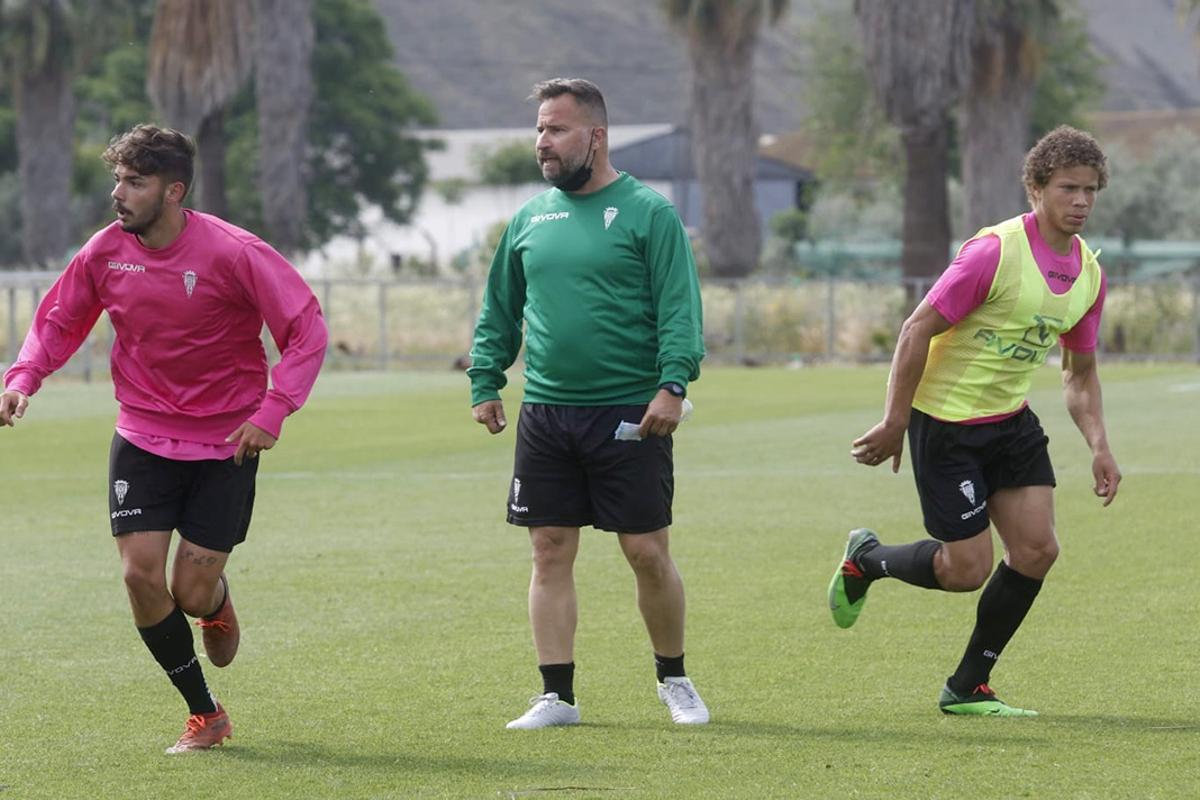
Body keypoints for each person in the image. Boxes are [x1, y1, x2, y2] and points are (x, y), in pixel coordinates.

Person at [0, 125, 328, 752]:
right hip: (143, 434)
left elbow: (306, 329)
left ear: (173, 190)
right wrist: (24, 378)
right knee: (138, 576)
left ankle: (216, 601)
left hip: (228, 442)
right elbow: (59, 319)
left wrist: (274, 409)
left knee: (189, 590)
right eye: (117, 179)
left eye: (135, 182)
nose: (119, 194)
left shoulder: (235, 253)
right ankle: (206, 712)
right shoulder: (105, 252)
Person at [827, 125, 1121, 716]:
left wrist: (1099, 445)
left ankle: (966, 687)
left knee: (1037, 550)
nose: (1082, 201)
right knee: (966, 570)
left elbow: (1079, 373)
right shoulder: (994, 252)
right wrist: (894, 421)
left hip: (1010, 423)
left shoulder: (1088, 273)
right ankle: (868, 559)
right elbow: (916, 330)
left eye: (1091, 190)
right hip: (946, 426)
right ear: (1036, 187)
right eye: (1068, 188)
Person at [468, 78, 708, 729]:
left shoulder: (648, 213)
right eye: (540, 129)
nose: (542, 142)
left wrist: (673, 383)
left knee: (646, 553)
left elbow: (680, 310)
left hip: (629, 410)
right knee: (549, 548)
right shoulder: (528, 218)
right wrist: (485, 380)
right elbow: (499, 308)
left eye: (556, 129)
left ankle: (674, 678)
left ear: (595, 137)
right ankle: (557, 696)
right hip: (546, 413)